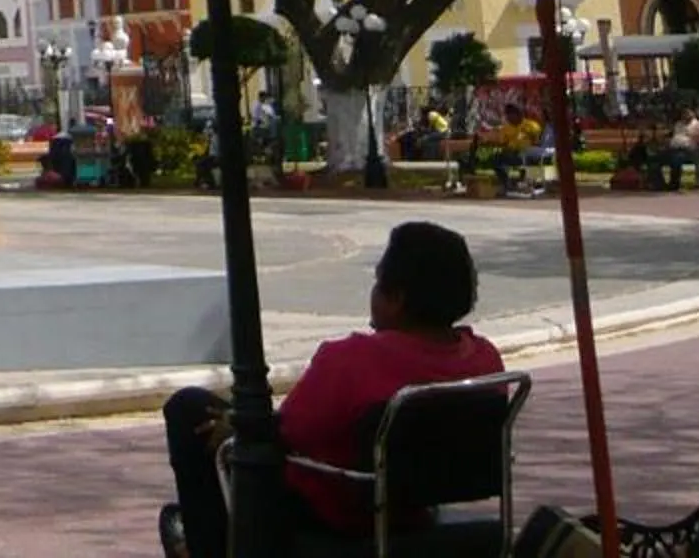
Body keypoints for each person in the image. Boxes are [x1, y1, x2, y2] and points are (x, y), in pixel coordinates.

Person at [160, 220, 504, 558]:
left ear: (396, 297)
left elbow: (284, 431)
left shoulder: (352, 359)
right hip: (415, 505)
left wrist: (235, 427)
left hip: (335, 516)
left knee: (189, 408)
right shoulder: (486, 360)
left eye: (377, 283)